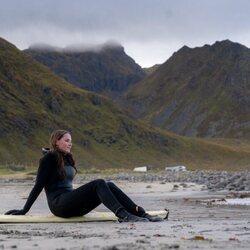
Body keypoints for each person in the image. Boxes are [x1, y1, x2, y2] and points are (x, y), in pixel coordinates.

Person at [5, 130, 163, 222]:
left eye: (71, 141)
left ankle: (142, 214)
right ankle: (124, 216)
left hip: (71, 202)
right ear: (56, 142)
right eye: (67, 140)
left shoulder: (66, 158)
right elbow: (38, 185)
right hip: (59, 205)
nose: (70, 143)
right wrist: (24, 210)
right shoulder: (49, 158)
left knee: (109, 185)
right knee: (99, 183)